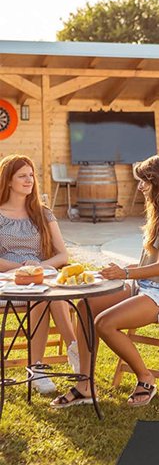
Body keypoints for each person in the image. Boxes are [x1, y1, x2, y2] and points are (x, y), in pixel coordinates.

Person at [51, 155, 159, 409]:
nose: (140, 186)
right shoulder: (158, 213)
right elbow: (151, 263)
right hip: (146, 285)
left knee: (104, 323)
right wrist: (124, 270)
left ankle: (146, 378)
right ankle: (85, 385)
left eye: (144, 182)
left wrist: (125, 275)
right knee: (84, 306)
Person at [0, 154, 79, 395]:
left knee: (45, 292)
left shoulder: (42, 213)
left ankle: (45, 364)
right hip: (7, 281)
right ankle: (68, 353)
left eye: (31, 175)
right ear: (8, 181)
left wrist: (41, 267)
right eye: (22, 176)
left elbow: (62, 255)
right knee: (45, 293)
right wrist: (20, 270)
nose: (29, 180)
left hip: (40, 277)